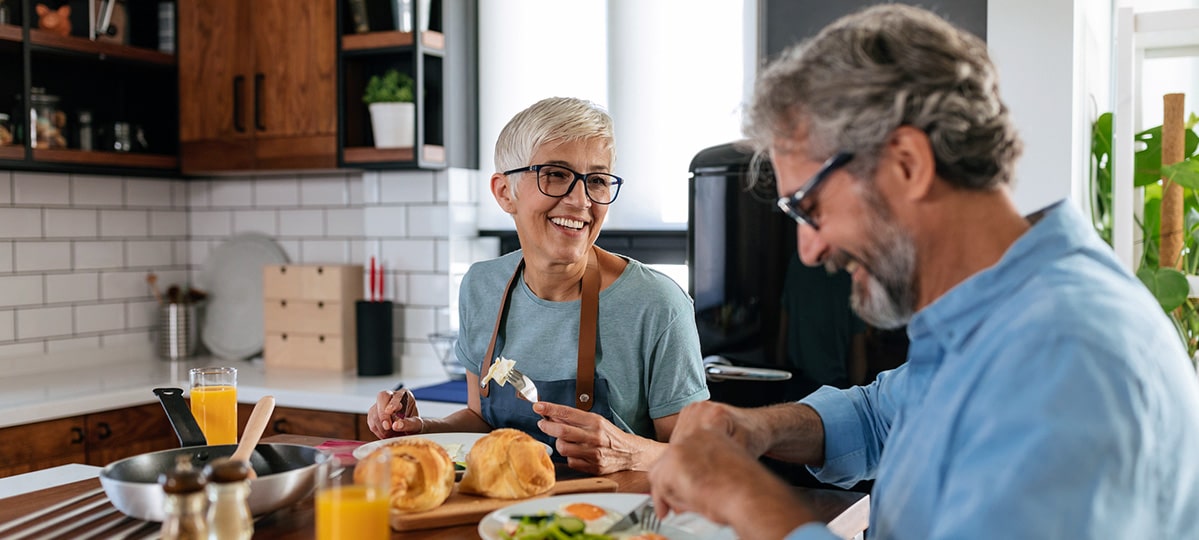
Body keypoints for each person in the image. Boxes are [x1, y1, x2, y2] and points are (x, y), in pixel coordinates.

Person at [648, 5, 1199, 539]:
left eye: (809, 209)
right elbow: (880, 417)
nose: (809, 251)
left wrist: (747, 498)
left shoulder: (1066, 353)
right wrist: (756, 428)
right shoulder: (992, 312)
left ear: (907, 164)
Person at [367, 97, 710, 474]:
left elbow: (699, 459)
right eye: (556, 174)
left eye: (596, 180)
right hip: (501, 517)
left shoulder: (657, 304)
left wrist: (629, 452)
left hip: (603, 520)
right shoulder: (482, 287)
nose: (580, 200)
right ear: (503, 193)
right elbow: (482, 423)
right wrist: (419, 432)